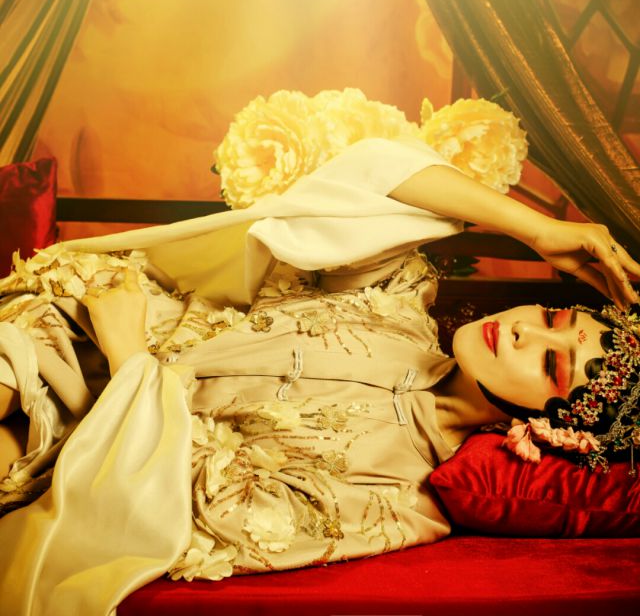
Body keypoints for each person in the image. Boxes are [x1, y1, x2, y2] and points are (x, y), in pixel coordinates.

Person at [0, 137, 638, 615]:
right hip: (67, 329)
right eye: (551, 317)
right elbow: (378, 167)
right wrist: (538, 229)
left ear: (550, 428)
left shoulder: (401, 495)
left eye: (550, 364)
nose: (527, 331)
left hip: (84, 448)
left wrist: (131, 361)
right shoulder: (397, 298)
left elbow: (217, 514)